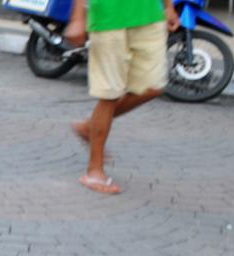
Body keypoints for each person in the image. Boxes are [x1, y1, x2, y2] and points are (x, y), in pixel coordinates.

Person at [64, 0, 179, 194]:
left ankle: (89, 127)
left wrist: (168, 7)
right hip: (109, 18)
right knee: (109, 95)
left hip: (150, 16)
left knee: (153, 87)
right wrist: (77, 18)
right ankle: (94, 171)